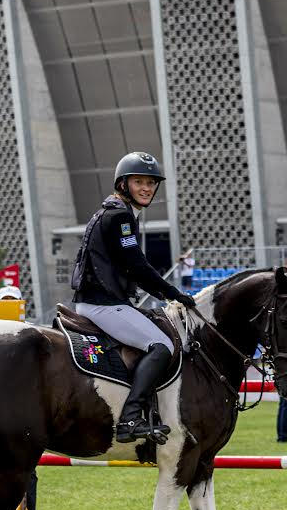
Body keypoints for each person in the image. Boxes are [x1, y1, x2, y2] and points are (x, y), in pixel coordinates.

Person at [70, 151, 197, 443]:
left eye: (151, 183)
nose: (146, 188)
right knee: (162, 345)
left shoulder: (115, 212)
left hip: (100, 301)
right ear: (123, 184)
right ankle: (129, 419)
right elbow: (135, 266)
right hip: (103, 304)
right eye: (139, 181)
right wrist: (173, 294)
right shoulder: (120, 217)